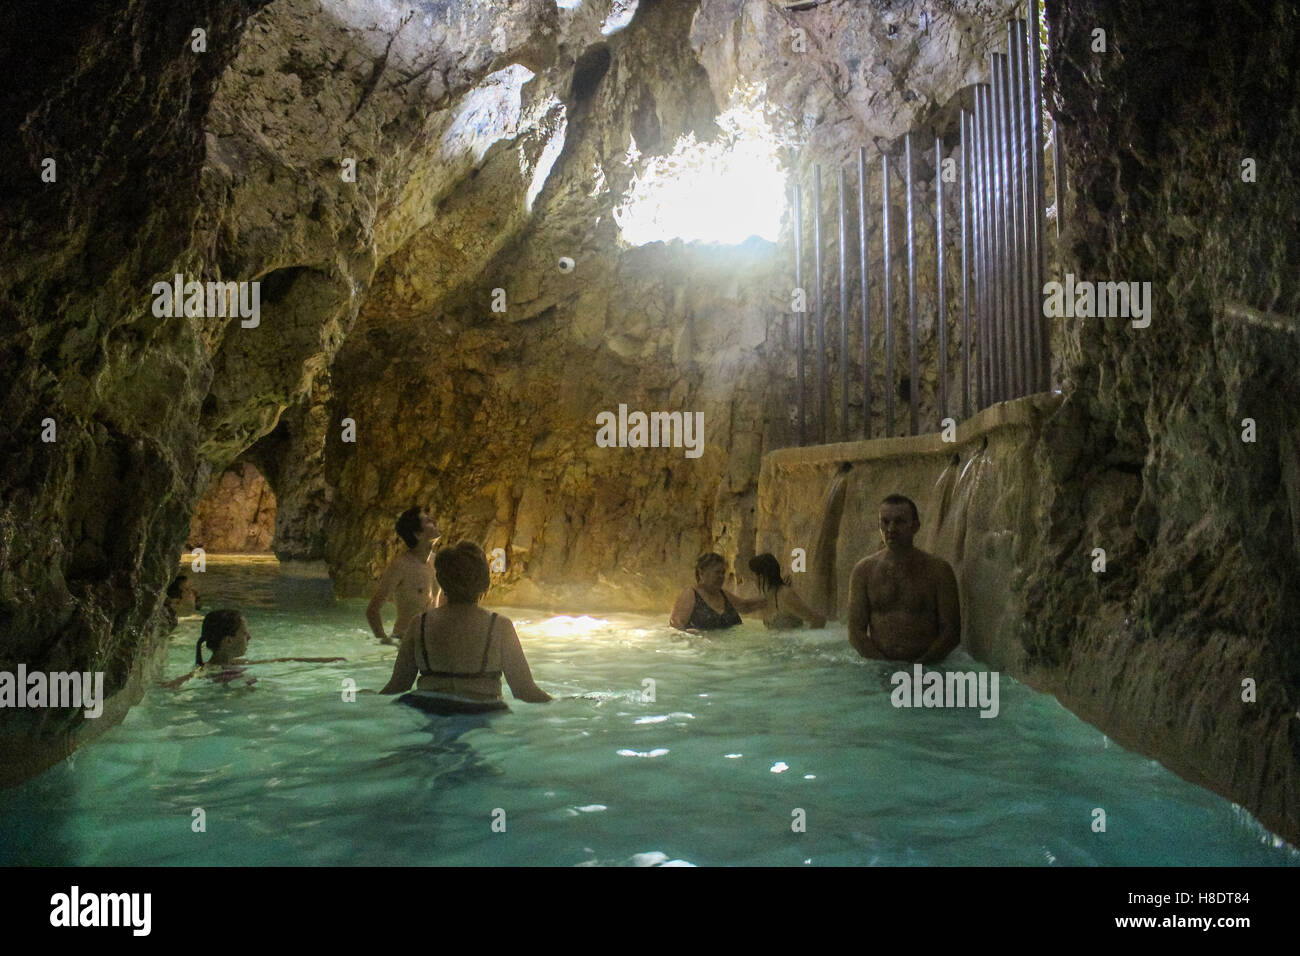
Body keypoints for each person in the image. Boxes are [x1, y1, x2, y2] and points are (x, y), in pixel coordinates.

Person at [380, 541, 551, 714]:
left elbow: (398, 686)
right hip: (481, 710)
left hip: (426, 706)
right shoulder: (499, 626)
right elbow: (524, 691)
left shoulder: (420, 624)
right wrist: (569, 702)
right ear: (484, 582)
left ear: (440, 580)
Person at [847, 494, 960, 663]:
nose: (891, 529)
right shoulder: (864, 571)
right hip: (879, 668)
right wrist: (884, 666)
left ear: (915, 526)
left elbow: (952, 632)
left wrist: (920, 667)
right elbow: (855, 632)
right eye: (885, 522)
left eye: (899, 522)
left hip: (929, 668)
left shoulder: (938, 571)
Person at [163, 609, 345, 688]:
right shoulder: (206, 672)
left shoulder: (236, 663)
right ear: (228, 641)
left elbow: (281, 661)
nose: (249, 637)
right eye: (244, 633)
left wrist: (326, 660)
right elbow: (185, 680)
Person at [366, 507, 442, 645]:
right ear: (418, 534)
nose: (434, 521)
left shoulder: (437, 563)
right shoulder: (401, 566)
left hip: (431, 640)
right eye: (427, 521)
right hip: (405, 640)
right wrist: (385, 640)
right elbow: (373, 610)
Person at [669, 552, 766, 631]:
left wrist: (771, 598)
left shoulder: (723, 595)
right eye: (717, 572)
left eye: (723, 573)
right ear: (701, 573)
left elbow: (745, 606)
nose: (721, 577)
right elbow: (676, 624)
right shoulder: (690, 594)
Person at [747, 553, 826, 629]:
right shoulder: (768, 596)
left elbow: (818, 620)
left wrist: (807, 642)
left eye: (752, 574)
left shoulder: (785, 596)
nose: (751, 578)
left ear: (761, 576)